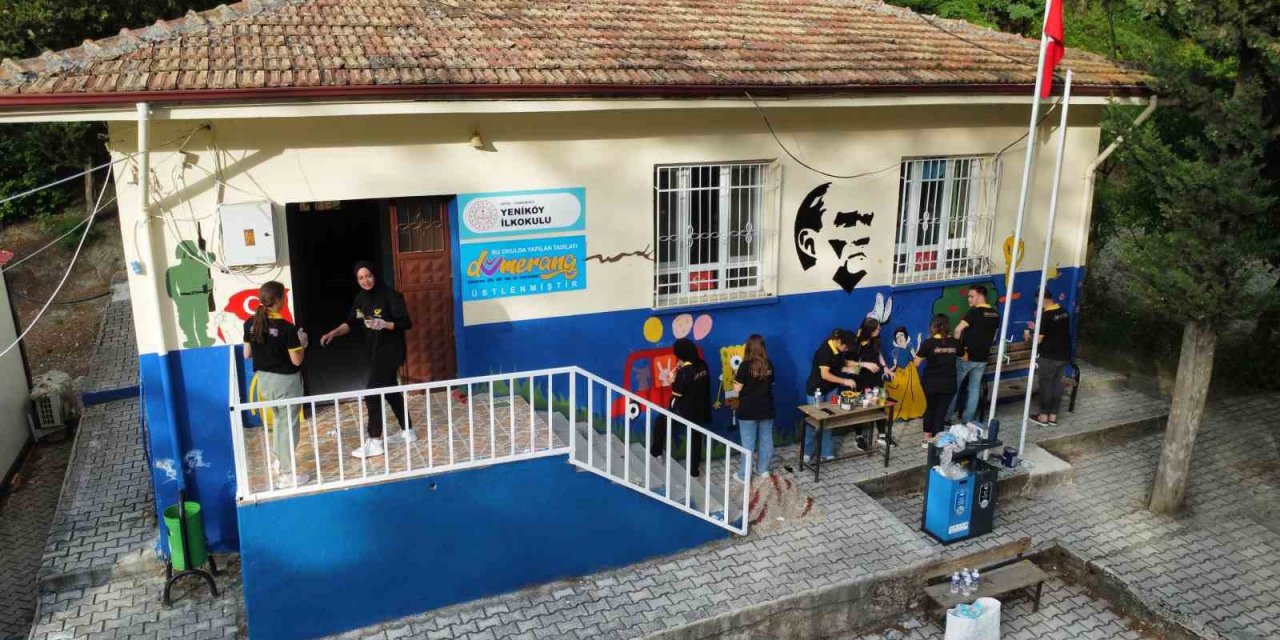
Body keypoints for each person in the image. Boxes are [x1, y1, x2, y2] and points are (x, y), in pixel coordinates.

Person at [319, 261, 414, 459]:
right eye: (361, 278)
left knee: (372, 393)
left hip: (391, 352)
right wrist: (333, 333)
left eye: (368, 276)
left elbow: (406, 323)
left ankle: (375, 440)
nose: (365, 281)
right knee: (391, 392)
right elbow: (352, 322)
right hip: (375, 352)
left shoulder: (390, 295)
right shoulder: (361, 299)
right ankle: (408, 431)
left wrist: (384, 324)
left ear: (375, 275)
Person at [243, 281, 309, 488]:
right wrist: (302, 343)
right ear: (280, 299)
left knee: (279, 422)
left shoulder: (250, 323)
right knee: (289, 426)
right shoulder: (287, 329)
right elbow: (296, 361)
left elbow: (246, 353)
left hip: (264, 381)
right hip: (286, 382)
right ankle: (287, 474)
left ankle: (279, 460)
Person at [794, 183, 875, 293]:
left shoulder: (871, 285)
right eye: (846, 224)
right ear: (809, 243)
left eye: (866, 221)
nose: (861, 237)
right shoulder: (803, 290)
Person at [653, 338, 711, 477]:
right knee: (695, 439)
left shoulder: (684, 372)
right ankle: (694, 472)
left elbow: (677, 393)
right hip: (701, 408)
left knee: (660, 421)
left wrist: (673, 380)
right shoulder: (702, 364)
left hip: (684, 411)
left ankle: (656, 453)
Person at [803, 328, 857, 462]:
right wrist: (845, 381)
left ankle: (826, 451)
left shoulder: (838, 350)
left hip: (831, 389)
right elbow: (825, 375)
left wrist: (854, 369)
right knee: (813, 421)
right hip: (816, 390)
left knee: (829, 420)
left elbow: (838, 367)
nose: (846, 350)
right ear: (839, 342)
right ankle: (807, 451)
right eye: (846, 347)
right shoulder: (824, 351)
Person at [949, 285, 1000, 424]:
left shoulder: (974, 312)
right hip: (982, 358)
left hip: (966, 357)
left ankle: (947, 418)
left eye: (971, 296)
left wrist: (959, 350)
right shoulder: (995, 314)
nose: (969, 299)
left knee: (954, 387)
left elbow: (958, 330)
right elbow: (994, 337)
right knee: (974, 389)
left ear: (980, 296)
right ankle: (967, 420)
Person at [915, 314, 962, 446]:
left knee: (929, 409)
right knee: (940, 412)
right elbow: (965, 357)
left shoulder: (928, 343)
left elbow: (916, 363)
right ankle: (937, 441)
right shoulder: (954, 343)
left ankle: (926, 439)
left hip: (930, 383)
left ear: (933, 326)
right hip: (948, 383)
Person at [849, 317, 896, 448]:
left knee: (880, 405)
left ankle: (881, 435)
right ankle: (859, 436)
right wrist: (864, 365)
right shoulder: (856, 344)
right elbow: (849, 364)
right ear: (869, 330)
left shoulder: (875, 340)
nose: (879, 330)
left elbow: (878, 354)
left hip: (876, 379)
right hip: (861, 381)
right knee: (859, 408)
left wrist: (885, 367)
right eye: (877, 329)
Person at [732, 335, 775, 479]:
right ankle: (763, 470)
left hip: (748, 410)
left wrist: (736, 377)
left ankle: (744, 475)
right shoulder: (769, 364)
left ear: (748, 348)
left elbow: (737, 389)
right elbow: (771, 383)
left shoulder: (745, 366)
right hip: (767, 408)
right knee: (766, 441)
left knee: (748, 445)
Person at [1028, 291, 1072, 427]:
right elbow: (1055, 330)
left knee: (1046, 386)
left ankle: (1043, 417)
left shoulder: (1045, 315)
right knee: (1057, 386)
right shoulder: (1064, 312)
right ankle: (1053, 417)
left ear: (1041, 299)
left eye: (1037, 302)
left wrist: (1029, 336)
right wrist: (1038, 328)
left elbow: (1039, 340)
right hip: (1063, 355)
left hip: (1048, 356)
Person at [885, 327, 925, 421]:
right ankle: (899, 411)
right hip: (900, 372)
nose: (899, 338)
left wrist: (919, 342)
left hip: (910, 371)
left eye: (901, 335)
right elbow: (894, 365)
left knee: (911, 391)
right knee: (899, 389)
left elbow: (915, 356)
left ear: (905, 337)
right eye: (897, 337)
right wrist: (888, 371)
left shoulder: (909, 346)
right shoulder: (895, 351)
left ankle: (911, 412)